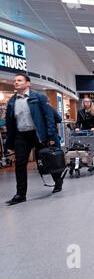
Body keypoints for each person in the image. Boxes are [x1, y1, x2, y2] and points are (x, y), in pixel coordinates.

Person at [5, 73, 63, 205]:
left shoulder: (39, 98)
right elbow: (10, 123)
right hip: (21, 136)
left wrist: (51, 136)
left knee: (45, 160)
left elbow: (49, 118)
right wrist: (10, 141)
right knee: (20, 164)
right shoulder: (12, 101)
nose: (16, 83)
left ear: (28, 83)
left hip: (39, 135)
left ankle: (58, 181)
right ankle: (20, 194)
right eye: (15, 81)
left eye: (19, 80)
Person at [75, 97, 94, 165]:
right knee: (86, 147)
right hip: (84, 131)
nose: (87, 103)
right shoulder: (80, 112)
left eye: (88, 101)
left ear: (90, 103)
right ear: (83, 103)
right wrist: (77, 127)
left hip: (92, 132)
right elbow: (78, 121)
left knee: (93, 146)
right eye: (85, 101)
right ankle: (90, 161)